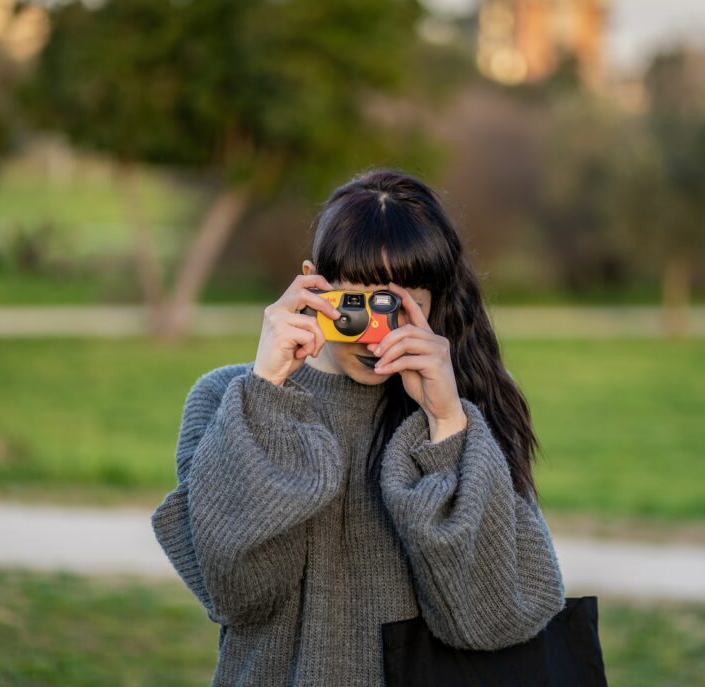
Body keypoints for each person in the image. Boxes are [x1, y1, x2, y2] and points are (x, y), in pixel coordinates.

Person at [150, 167, 567, 686]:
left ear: (435, 298)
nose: (376, 334)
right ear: (312, 282)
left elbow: (492, 619)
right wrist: (267, 390)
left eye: (400, 305)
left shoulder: (470, 405)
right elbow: (239, 594)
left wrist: (446, 422)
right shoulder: (228, 401)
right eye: (358, 304)